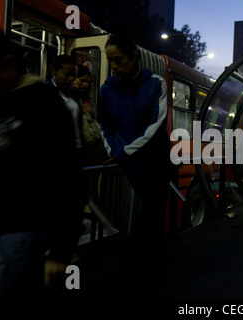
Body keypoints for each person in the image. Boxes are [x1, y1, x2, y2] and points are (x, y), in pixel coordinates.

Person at [0, 31, 85, 301]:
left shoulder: (43, 101)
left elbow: (68, 176)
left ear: (7, 64)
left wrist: (61, 249)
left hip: (23, 227)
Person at [97, 33, 170, 293]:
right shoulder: (105, 89)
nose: (114, 66)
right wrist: (116, 149)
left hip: (156, 156)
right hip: (131, 159)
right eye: (110, 61)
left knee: (153, 206)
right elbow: (104, 124)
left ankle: (137, 255)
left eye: (118, 60)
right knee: (154, 207)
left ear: (133, 57)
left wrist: (123, 151)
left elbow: (157, 123)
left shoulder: (156, 83)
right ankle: (148, 263)